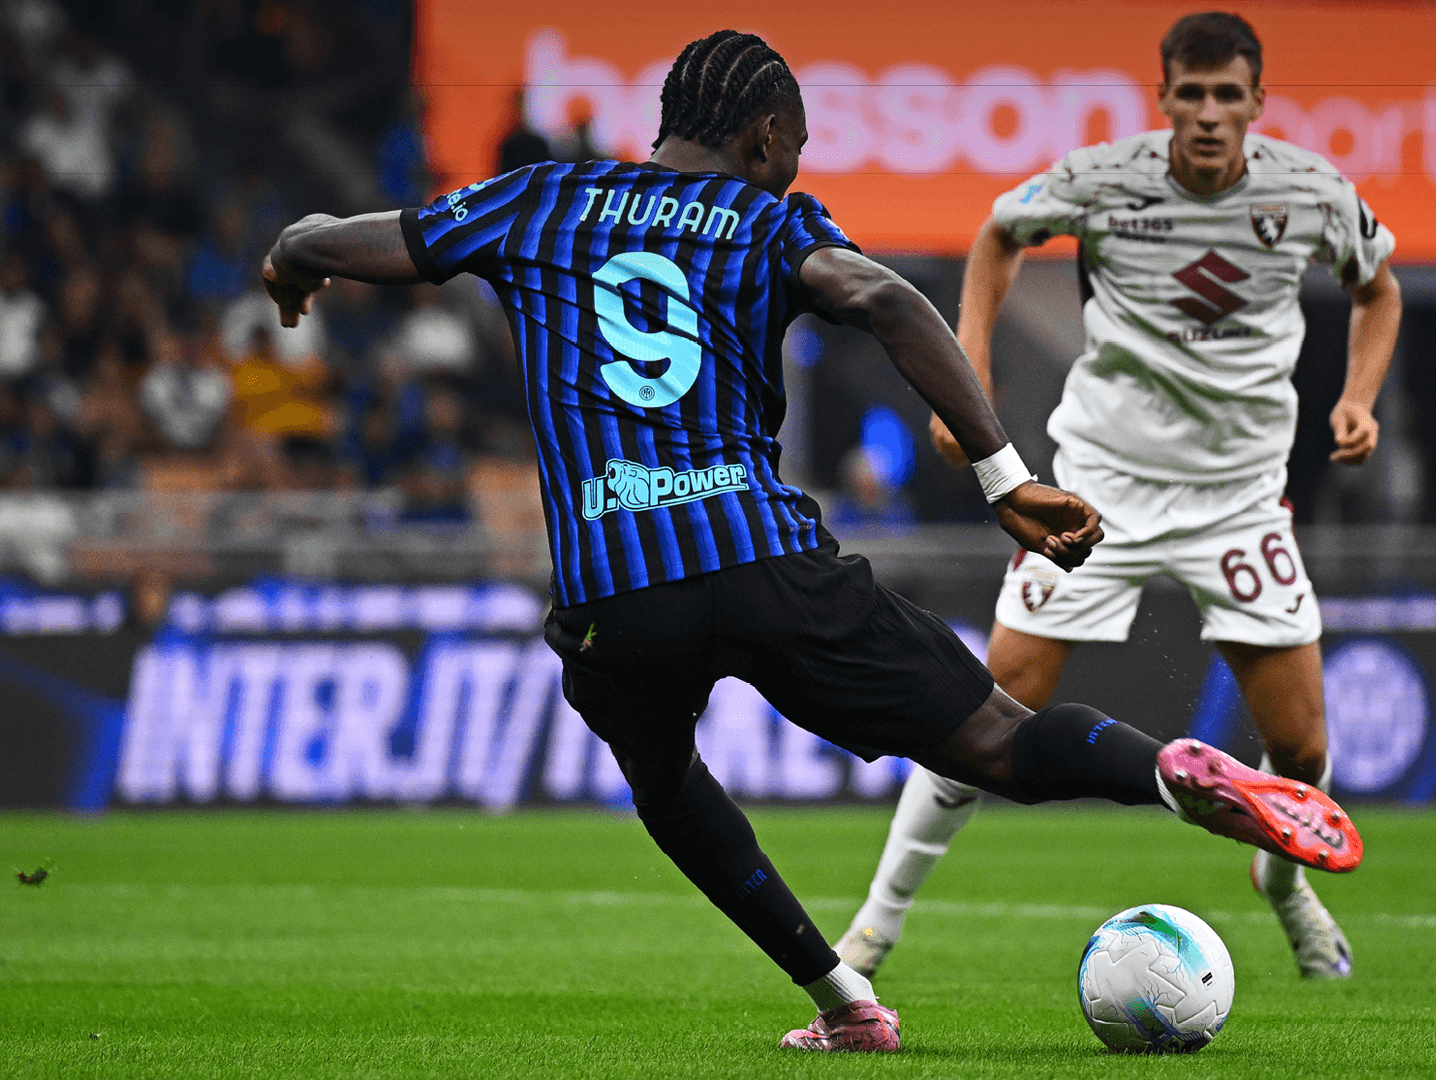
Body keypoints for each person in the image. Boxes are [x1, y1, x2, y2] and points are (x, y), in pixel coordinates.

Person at [260, 29, 1362, 1053]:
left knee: (664, 783)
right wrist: (1004, 478)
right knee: (998, 741)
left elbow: (354, 239)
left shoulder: (541, 198)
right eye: (794, 146)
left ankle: (845, 1004)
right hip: (764, 562)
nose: (794, 165)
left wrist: (295, 256)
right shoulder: (768, 220)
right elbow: (887, 300)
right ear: (763, 139)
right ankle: (1169, 770)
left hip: (618, 593)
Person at [836, 12, 1400, 983]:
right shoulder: (1104, 179)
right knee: (986, 709)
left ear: (1258, 102)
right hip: (1102, 486)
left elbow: (1378, 289)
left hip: (1237, 498)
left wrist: (1358, 397)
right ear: (1166, 97)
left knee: (1301, 751)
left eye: (1229, 95)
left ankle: (1282, 883)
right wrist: (971, 364)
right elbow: (999, 233)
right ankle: (873, 930)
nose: (1210, 114)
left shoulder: (1311, 192)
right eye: (1194, 94)